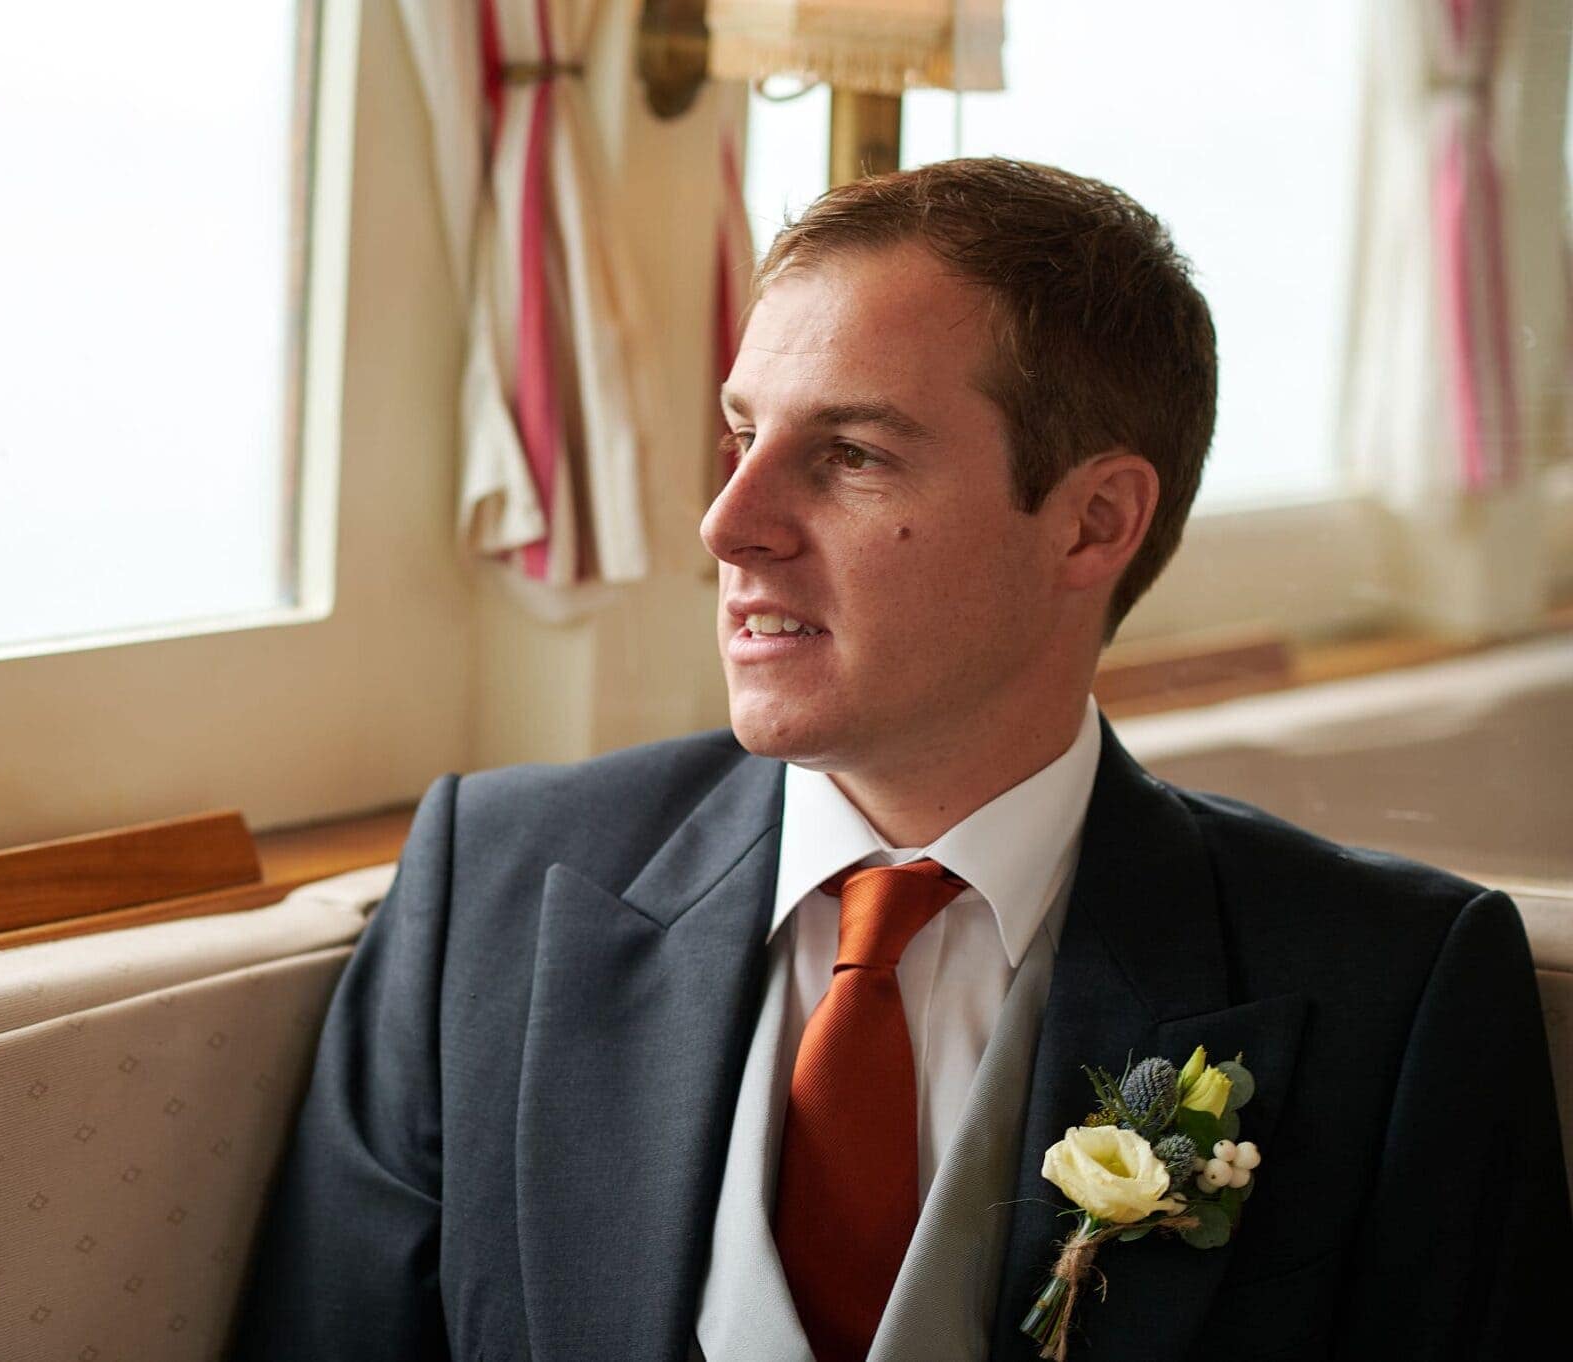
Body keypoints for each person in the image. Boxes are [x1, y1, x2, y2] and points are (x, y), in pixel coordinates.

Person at [227, 159, 1571, 1362]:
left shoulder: (1393, 995)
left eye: (852, 453)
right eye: (742, 437)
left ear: (1094, 521)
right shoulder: (494, 887)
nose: (729, 522)